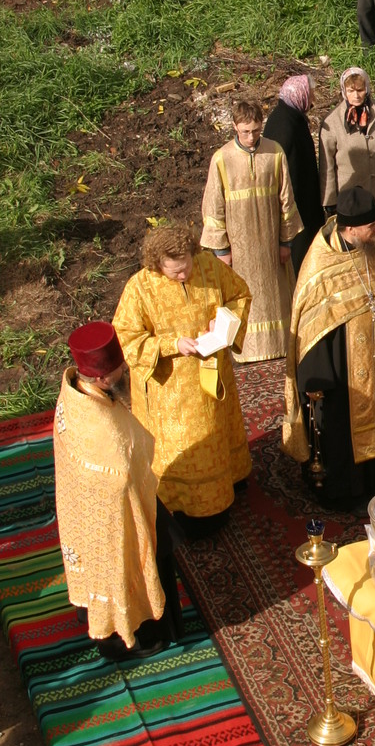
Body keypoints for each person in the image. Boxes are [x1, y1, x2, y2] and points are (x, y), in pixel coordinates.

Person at [282, 188, 375, 513]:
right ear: (351, 228)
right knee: (343, 424)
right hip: (340, 369)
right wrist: (320, 375)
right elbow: (312, 323)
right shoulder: (320, 262)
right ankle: (350, 491)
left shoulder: (374, 245)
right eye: (372, 225)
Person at [53, 321, 182, 658]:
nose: (124, 373)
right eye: (118, 371)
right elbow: (121, 468)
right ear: (99, 378)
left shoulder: (74, 389)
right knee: (142, 557)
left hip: (97, 505)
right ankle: (136, 638)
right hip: (113, 511)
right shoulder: (96, 423)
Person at [113, 225, 252, 534]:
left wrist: (224, 320)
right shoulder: (139, 288)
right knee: (188, 447)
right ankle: (190, 511)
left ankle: (229, 483)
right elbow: (126, 338)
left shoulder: (209, 266)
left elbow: (239, 294)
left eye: (186, 266)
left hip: (212, 375)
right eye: (175, 272)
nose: (183, 276)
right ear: (157, 265)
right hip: (172, 393)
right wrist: (171, 345)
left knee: (218, 431)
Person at [201, 97, 303, 362]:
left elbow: (286, 199)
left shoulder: (275, 152)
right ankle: (243, 349)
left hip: (271, 244)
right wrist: (221, 249)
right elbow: (214, 206)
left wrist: (286, 242)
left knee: (274, 297)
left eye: (256, 130)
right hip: (238, 247)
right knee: (242, 296)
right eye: (246, 131)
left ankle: (280, 346)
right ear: (235, 126)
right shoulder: (221, 159)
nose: (251, 137)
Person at [318, 67, 375, 218]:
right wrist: (330, 201)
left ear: (367, 89)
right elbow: (327, 166)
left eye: (360, 90)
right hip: (350, 199)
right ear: (344, 91)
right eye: (351, 91)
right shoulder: (332, 121)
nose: (356, 96)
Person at [263, 75, 323, 278]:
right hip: (296, 204)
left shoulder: (290, 117)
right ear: (300, 95)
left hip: (301, 201)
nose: (313, 98)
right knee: (299, 256)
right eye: (311, 93)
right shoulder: (285, 126)